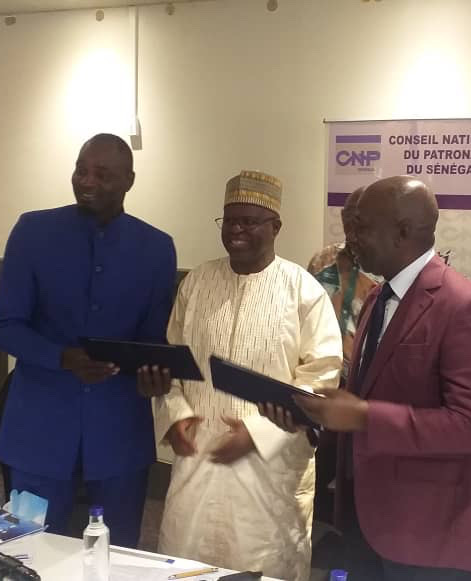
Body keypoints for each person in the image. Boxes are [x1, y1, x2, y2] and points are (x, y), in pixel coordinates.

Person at [262, 175, 471, 580]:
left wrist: (364, 416)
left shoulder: (465, 306)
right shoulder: (379, 297)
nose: (351, 238)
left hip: (427, 532)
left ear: (402, 232)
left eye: (362, 226)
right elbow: (364, 395)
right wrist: (310, 416)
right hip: (365, 518)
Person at [148, 170, 342, 581]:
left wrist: (256, 434)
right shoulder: (197, 283)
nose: (236, 230)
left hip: (269, 468)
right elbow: (174, 363)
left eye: (249, 221)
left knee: (263, 566)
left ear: (275, 227)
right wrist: (177, 416)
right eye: (230, 220)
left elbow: (322, 378)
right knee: (187, 564)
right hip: (199, 455)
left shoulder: (303, 291)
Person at [0, 134, 177, 544]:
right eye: (81, 170)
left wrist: (154, 375)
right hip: (39, 427)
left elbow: (152, 340)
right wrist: (63, 358)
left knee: (117, 551)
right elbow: (5, 326)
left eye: (102, 174)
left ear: (129, 180)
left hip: (119, 430)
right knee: (28, 550)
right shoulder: (32, 231)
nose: (87, 181)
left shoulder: (156, 248)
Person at [307, 186, 378, 381]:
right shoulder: (322, 260)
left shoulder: (385, 269)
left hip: (366, 380)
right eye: (348, 222)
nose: (353, 233)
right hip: (321, 374)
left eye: (361, 224)